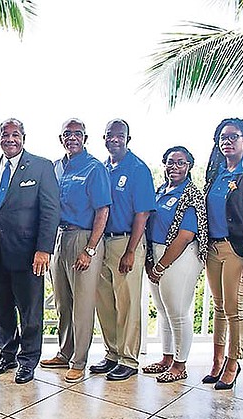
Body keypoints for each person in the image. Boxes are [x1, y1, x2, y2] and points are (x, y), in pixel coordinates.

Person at [0, 118, 60, 384]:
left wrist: (43, 249)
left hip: (28, 254)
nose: (10, 139)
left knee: (29, 311)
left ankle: (28, 361)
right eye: (5, 135)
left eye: (15, 135)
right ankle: (6, 354)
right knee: (0, 309)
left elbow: (50, 211)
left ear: (24, 137)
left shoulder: (41, 167)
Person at [40, 118, 111, 384]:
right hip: (60, 237)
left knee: (82, 304)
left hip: (84, 239)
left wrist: (90, 249)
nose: (72, 137)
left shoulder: (94, 168)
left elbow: (103, 210)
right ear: (61, 138)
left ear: (85, 137)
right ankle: (64, 351)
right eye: (67, 134)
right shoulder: (56, 167)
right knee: (63, 300)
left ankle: (79, 361)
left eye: (77, 133)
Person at [203, 118, 243, 390]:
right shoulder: (216, 173)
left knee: (234, 309)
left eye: (232, 137)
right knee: (218, 308)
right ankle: (217, 360)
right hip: (212, 248)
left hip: (236, 250)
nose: (226, 142)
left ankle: (233, 362)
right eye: (222, 137)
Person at [91, 119, 155, 381]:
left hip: (126, 242)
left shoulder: (138, 169)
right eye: (110, 135)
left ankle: (128, 358)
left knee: (127, 302)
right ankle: (112, 353)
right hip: (103, 242)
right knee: (105, 301)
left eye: (120, 135)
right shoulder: (103, 168)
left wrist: (131, 251)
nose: (114, 139)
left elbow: (143, 213)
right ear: (103, 138)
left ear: (128, 139)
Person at [143, 146, 208, 383]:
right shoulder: (161, 190)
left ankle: (180, 365)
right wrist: (153, 262)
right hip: (157, 253)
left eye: (180, 163)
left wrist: (161, 266)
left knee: (178, 312)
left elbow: (185, 235)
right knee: (163, 310)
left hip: (180, 256)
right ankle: (167, 358)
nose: (174, 167)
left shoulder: (190, 194)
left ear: (189, 166)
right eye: (170, 162)